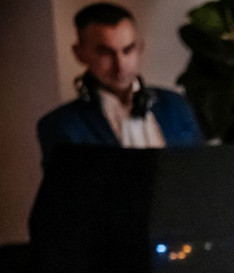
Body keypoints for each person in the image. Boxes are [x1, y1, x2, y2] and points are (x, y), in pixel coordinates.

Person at [37, 3, 203, 163]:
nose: (120, 65)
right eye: (105, 53)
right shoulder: (60, 125)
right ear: (79, 53)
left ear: (140, 47)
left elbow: (201, 170)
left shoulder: (176, 105)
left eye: (128, 50)